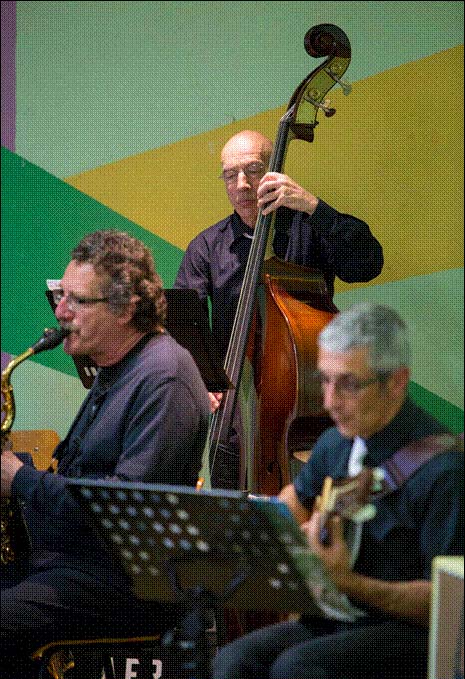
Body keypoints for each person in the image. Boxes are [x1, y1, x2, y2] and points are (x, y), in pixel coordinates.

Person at [212, 302, 464, 679]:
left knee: (296, 669)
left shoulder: (444, 471)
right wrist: (259, 535)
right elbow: (294, 503)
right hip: (340, 618)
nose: (330, 402)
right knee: (232, 661)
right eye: (325, 380)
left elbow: (449, 605)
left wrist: (349, 582)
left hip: (411, 633)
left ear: (397, 381)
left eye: (348, 384)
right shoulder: (335, 443)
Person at [0, 229, 211, 678]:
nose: (60, 312)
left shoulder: (164, 377)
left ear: (125, 309)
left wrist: (18, 478)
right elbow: (79, 471)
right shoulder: (116, 366)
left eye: (77, 301)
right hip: (78, 563)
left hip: (129, 583)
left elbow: (121, 507)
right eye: (61, 296)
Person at [174, 130, 384, 486]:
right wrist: (202, 379)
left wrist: (314, 206)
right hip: (236, 413)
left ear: (275, 170)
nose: (242, 184)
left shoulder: (310, 228)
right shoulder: (207, 247)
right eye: (230, 175)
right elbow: (184, 322)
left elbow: (367, 264)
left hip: (305, 408)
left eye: (253, 170)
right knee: (229, 503)